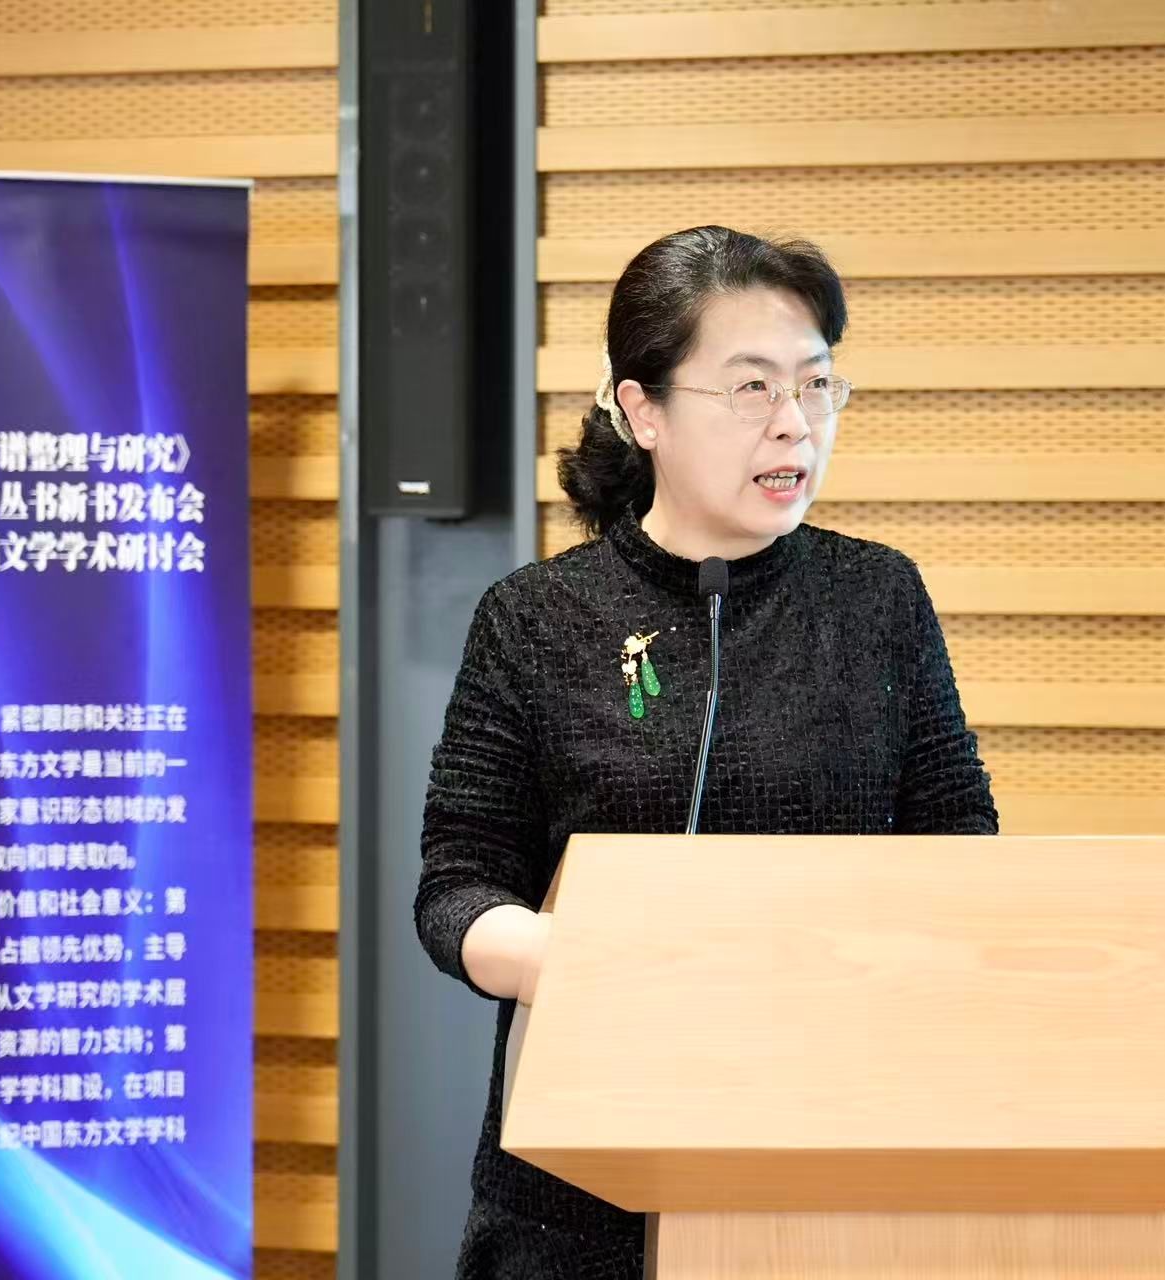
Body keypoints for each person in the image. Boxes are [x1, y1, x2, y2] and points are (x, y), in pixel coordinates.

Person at [414, 224, 1000, 1277]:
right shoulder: (534, 618)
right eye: (751, 388)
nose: (794, 423)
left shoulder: (878, 599)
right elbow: (458, 888)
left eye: (814, 385)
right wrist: (588, 963)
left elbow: (960, 843)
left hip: (833, 1150)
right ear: (642, 410)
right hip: (583, 1179)